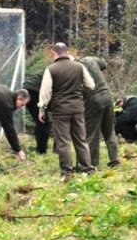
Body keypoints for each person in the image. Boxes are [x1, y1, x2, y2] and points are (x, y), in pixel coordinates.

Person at [38, 43, 95, 176]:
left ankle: (67, 172)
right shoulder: (79, 66)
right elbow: (91, 85)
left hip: (60, 110)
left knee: (63, 142)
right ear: (67, 52)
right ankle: (87, 169)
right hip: (78, 108)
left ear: (54, 53)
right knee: (81, 139)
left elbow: (45, 92)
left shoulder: (51, 69)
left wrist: (42, 109)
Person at [78, 56, 119, 168]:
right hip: (108, 96)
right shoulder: (91, 60)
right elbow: (104, 64)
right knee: (109, 130)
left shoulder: (76, 67)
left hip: (93, 100)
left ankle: (92, 163)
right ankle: (115, 161)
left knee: (92, 133)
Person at [23, 67, 51, 154]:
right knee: (43, 121)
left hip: (28, 89)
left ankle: (41, 147)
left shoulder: (52, 67)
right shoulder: (59, 69)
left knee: (40, 121)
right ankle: (41, 150)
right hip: (35, 91)